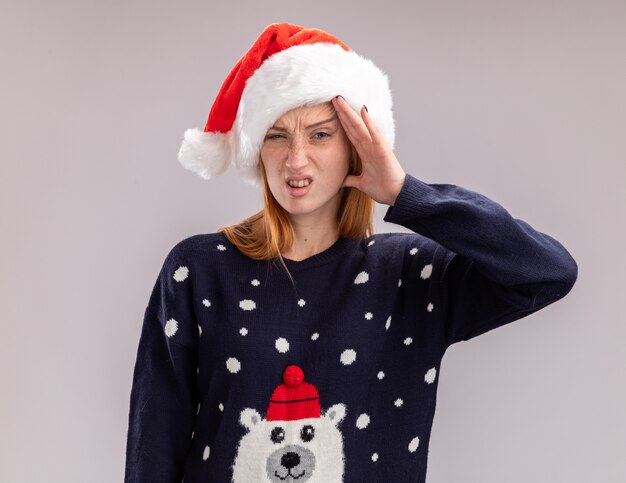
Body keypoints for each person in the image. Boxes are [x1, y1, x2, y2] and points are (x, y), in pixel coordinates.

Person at [124, 23, 578, 483]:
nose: (295, 159)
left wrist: (406, 193)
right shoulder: (198, 270)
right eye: (277, 135)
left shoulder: (409, 275)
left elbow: (546, 271)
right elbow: (154, 445)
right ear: (257, 149)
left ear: (356, 146)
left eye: (320, 135)